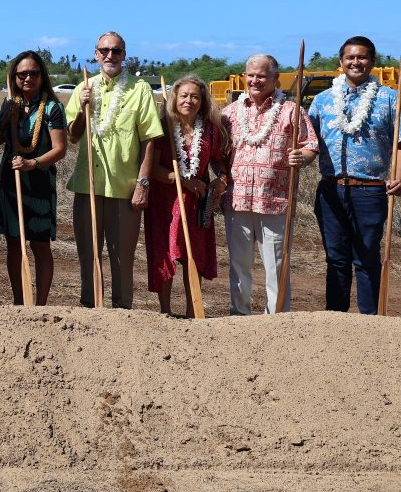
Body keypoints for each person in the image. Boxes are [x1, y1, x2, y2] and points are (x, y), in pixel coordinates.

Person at [65, 32, 163, 309]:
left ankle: (122, 313)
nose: (110, 56)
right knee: (88, 254)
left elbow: (149, 140)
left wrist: (143, 184)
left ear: (124, 55)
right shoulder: (83, 88)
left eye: (116, 51)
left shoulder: (140, 88)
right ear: (95, 54)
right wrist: (84, 108)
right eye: (104, 50)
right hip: (88, 185)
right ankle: (90, 307)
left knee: (122, 257)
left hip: (124, 188)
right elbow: (73, 135)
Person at [309, 36, 401, 314]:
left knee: (366, 257)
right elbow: (308, 142)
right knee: (336, 258)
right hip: (330, 189)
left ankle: (370, 321)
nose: (355, 62)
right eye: (350, 57)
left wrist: (398, 175)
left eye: (362, 57)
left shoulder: (390, 99)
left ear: (372, 62)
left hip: (370, 190)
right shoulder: (322, 101)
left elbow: (400, 143)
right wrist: (300, 156)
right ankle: (336, 319)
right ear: (341, 62)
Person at [220, 54, 318, 314]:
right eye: (250, 75)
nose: (255, 80)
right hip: (237, 199)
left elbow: (311, 146)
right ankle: (239, 314)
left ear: (275, 78)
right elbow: (218, 151)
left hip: (274, 201)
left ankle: (277, 320)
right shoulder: (229, 113)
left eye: (262, 76)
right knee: (238, 264)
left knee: (276, 265)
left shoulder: (291, 111)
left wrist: (303, 157)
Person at [144, 75, 228, 316]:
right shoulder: (162, 127)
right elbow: (153, 167)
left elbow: (219, 162)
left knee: (195, 255)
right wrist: (182, 181)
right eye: (184, 95)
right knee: (165, 253)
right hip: (165, 200)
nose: (189, 101)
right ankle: (165, 312)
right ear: (174, 98)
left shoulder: (211, 131)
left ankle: (193, 311)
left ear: (202, 101)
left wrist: (221, 180)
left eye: (195, 96)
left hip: (197, 203)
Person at [0, 51, 67, 305]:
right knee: (13, 242)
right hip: (12, 183)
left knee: (40, 245)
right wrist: (4, 118)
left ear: (42, 76)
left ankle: (40, 303)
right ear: (14, 77)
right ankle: (19, 302)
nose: (28, 78)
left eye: (33, 73)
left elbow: (60, 149)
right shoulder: (9, 104)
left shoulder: (53, 108)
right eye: (22, 74)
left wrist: (33, 163)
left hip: (40, 183)